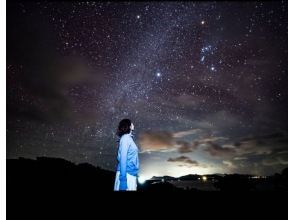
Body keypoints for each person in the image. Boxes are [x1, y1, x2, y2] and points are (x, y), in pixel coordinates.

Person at [114, 119, 139, 191]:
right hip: (126, 175)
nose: (133, 124)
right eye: (132, 123)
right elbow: (123, 159)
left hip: (130, 174)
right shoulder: (125, 138)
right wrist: (123, 181)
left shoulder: (128, 138)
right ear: (129, 126)